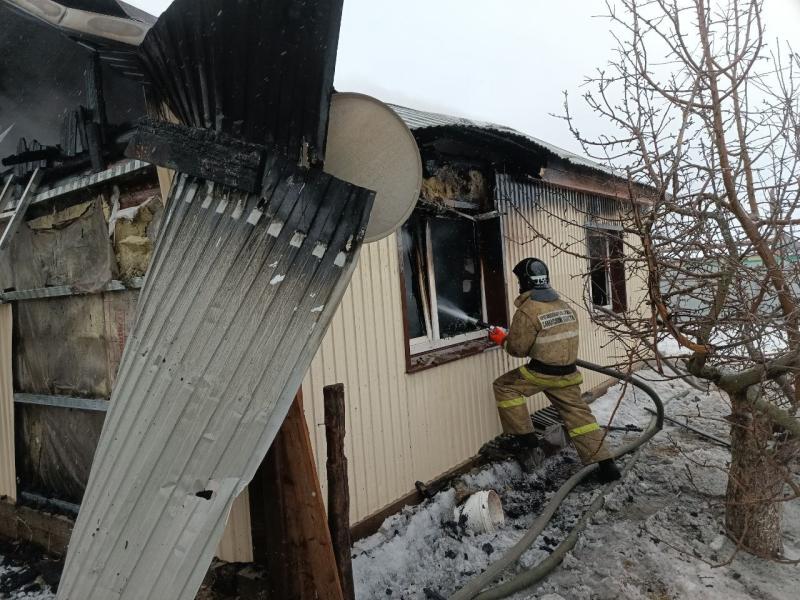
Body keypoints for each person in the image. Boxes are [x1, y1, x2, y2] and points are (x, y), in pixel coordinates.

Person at [484, 257, 621, 482]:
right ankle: (607, 465)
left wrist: (502, 339)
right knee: (580, 417)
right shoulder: (563, 306)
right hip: (566, 373)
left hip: (540, 373)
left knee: (505, 387)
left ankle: (525, 440)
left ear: (525, 282)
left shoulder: (528, 310)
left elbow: (518, 349)